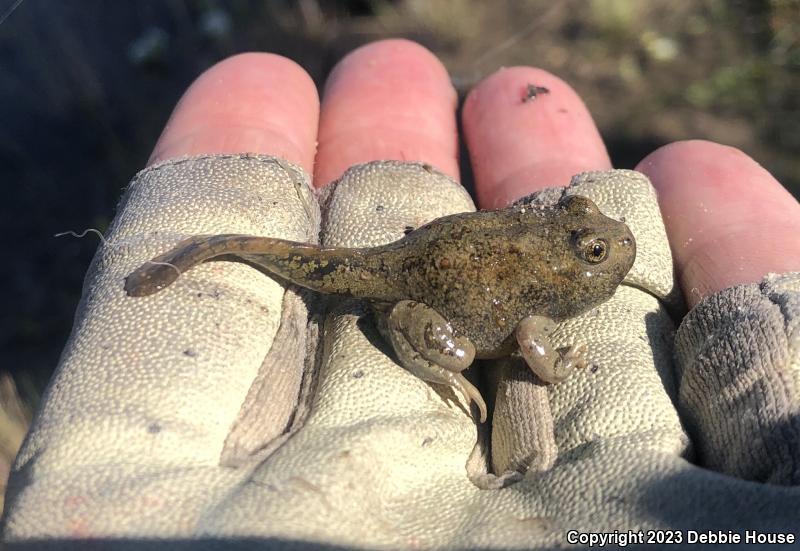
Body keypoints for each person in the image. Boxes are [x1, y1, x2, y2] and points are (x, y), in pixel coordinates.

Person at [3, 39, 799, 547]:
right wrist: (542, 363)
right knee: (445, 340)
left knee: (307, 251)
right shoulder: (546, 296)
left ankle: (214, 245)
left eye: (592, 241)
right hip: (414, 279)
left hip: (425, 248)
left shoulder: (546, 269)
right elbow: (531, 345)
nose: (608, 248)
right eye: (591, 241)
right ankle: (226, 257)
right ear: (572, 263)